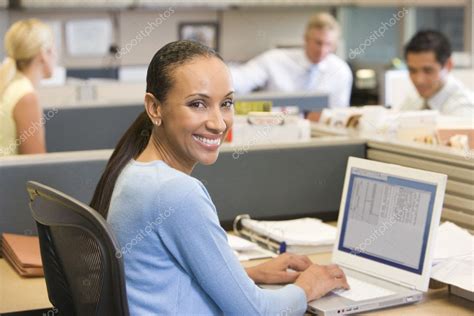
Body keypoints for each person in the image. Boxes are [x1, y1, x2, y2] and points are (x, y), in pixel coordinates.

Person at [90, 40, 349, 315]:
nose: (218, 122)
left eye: (226, 103)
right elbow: (257, 312)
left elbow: (160, 277)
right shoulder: (177, 192)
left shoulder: (133, 170)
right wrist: (308, 286)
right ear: (155, 108)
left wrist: (244, 275)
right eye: (198, 104)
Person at [229, 12, 353, 108]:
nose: (322, 50)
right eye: (318, 43)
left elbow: (339, 112)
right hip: (273, 129)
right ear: (306, 39)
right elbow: (240, 79)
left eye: (328, 44)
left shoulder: (341, 71)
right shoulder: (274, 59)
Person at [0, 18, 56, 156]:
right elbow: (35, 162)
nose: (55, 55)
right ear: (43, 54)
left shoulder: (10, 84)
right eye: (53, 49)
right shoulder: (26, 96)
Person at [398, 30, 474, 116]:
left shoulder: (464, 108)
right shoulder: (414, 98)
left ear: (448, 65)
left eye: (428, 71)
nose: (419, 80)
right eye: (412, 70)